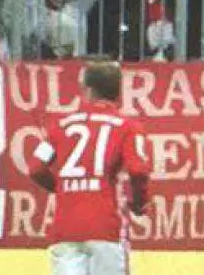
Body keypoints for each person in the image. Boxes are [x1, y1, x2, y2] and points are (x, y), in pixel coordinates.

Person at [31, 62, 152, 275]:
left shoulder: (60, 126)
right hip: (106, 227)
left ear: (87, 90)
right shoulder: (127, 126)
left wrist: (62, 187)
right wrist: (139, 203)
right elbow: (138, 170)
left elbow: (35, 168)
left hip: (65, 228)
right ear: (118, 92)